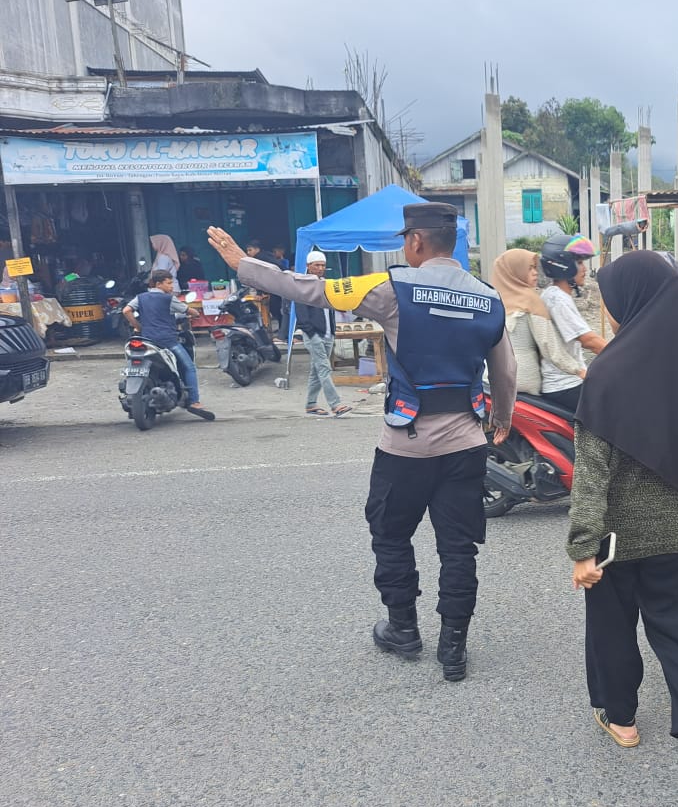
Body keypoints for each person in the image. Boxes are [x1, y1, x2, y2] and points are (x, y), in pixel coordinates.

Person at [209, 204, 516, 682]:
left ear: (415, 242)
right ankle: (453, 648)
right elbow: (505, 371)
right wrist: (501, 418)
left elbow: (310, 288)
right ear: (451, 241)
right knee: (459, 548)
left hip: (405, 447)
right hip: (465, 443)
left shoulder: (392, 289)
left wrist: (243, 266)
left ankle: (403, 629)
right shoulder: (489, 298)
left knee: (391, 535)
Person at [567, 251, 678, 806]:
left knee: (612, 626)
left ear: (630, 303)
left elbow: (591, 476)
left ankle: (621, 720)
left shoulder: (608, 372)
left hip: (617, 540)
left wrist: (582, 549)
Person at [492, 247, 586, 394]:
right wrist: (578, 370)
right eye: (529, 269)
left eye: (535, 268)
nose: (536, 273)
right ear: (515, 271)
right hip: (523, 378)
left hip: (493, 377)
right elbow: (548, 345)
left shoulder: (494, 301)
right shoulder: (529, 299)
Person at [123, 270, 214, 421]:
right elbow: (188, 310)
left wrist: (138, 326)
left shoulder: (141, 297)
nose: (171, 286)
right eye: (169, 283)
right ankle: (194, 401)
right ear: (159, 284)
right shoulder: (168, 299)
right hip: (167, 341)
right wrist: (195, 313)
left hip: (146, 340)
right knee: (189, 367)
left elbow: (126, 310)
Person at [538, 234, 607, 412]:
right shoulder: (557, 299)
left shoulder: (555, 295)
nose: (584, 269)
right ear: (564, 266)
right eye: (580, 263)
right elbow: (588, 340)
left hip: (570, 379)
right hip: (565, 384)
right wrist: (622, 354)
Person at [298, 250, 351, 418]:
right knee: (324, 368)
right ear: (308, 267)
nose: (320, 268)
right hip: (314, 334)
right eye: (317, 265)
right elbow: (301, 312)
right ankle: (336, 404)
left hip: (328, 333)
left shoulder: (326, 284)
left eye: (323, 265)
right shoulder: (302, 285)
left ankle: (311, 404)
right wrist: (310, 332)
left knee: (317, 370)